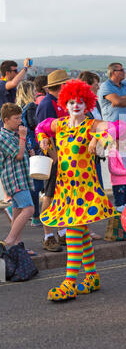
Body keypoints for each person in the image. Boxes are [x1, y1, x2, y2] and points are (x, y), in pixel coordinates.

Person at [36, 79, 120, 301]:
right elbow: (39, 127)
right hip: (66, 188)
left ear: (87, 103)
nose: (76, 105)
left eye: (80, 102)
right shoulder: (60, 124)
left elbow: (113, 129)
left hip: (84, 190)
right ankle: (91, 276)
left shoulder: (91, 125)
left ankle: (70, 281)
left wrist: (98, 139)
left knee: (73, 229)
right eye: (71, 102)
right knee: (80, 232)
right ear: (65, 103)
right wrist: (43, 140)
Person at [36, 70, 69, 252]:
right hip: (54, 156)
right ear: (61, 86)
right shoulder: (48, 104)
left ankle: (62, 232)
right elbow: (43, 133)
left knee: (60, 195)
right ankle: (48, 236)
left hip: (64, 156)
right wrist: (53, 157)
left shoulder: (57, 102)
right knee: (48, 195)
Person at [0, 103, 35, 255]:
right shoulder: (2, 136)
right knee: (29, 208)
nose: (20, 121)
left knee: (17, 211)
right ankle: (10, 239)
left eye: (20, 117)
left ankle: (18, 247)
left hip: (22, 177)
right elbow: (18, 155)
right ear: (6, 120)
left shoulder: (14, 134)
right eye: (16, 118)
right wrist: (22, 136)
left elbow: (26, 152)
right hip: (14, 179)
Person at [0, 58, 31, 206]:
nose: (17, 73)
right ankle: (8, 194)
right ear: (7, 73)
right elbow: (13, 83)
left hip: (12, 126)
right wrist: (25, 68)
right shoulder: (2, 84)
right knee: (6, 162)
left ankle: (13, 194)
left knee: (15, 160)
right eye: (15, 70)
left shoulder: (11, 89)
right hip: (4, 127)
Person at [78, 71, 104, 240]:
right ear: (87, 85)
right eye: (96, 83)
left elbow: (101, 124)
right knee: (86, 191)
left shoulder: (95, 103)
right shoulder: (79, 104)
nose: (99, 86)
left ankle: (86, 228)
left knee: (94, 190)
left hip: (96, 152)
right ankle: (84, 229)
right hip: (83, 155)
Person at [16, 80, 44, 227]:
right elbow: (34, 124)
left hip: (23, 145)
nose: (36, 93)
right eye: (33, 90)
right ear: (29, 92)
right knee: (37, 182)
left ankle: (24, 212)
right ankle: (36, 216)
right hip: (34, 146)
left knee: (27, 182)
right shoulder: (32, 106)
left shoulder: (18, 108)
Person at [108, 125, 126, 212]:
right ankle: (117, 222)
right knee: (120, 204)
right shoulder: (113, 153)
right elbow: (112, 169)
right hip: (119, 183)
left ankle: (124, 221)